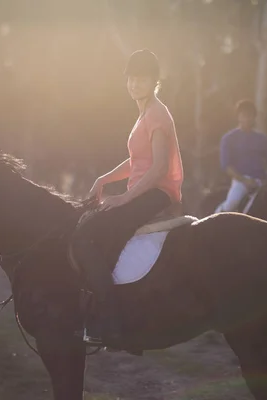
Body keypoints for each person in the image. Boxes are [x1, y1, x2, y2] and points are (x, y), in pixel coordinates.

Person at [73, 49, 184, 345]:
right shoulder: (145, 113)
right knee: (89, 225)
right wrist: (103, 179)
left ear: (154, 81)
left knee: (85, 236)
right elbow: (137, 162)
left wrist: (124, 199)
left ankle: (111, 321)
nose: (135, 84)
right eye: (131, 78)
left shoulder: (157, 113)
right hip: (144, 191)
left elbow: (159, 166)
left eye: (142, 78)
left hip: (157, 194)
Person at [214, 99, 267, 213]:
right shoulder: (228, 139)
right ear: (238, 117)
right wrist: (244, 180)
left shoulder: (262, 139)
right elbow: (226, 166)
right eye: (244, 115)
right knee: (231, 204)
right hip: (241, 182)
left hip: (261, 182)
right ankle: (215, 218)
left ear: (254, 117)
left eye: (250, 116)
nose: (247, 118)